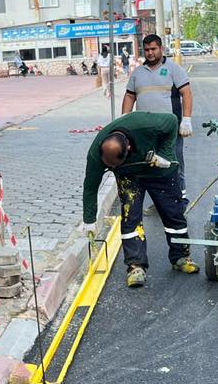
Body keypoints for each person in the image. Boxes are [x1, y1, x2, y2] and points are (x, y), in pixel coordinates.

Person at [79, 111, 199, 288]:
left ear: (127, 148)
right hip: (129, 176)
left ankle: (181, 256)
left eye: (114, 166)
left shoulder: (145, 124)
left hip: (160, 169)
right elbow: (90, 186)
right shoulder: (96, 153)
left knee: (173, 214)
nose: (111, 169)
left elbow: (172, 121)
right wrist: (89, 220)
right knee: (131, 219)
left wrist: (165, 154)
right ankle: (136, 266)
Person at [123, 34, 194, 194]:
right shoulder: (138, 73)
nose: (150, 53)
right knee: (152, 165)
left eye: (153, 49)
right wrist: (124, 121)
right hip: (145, 130)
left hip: (170, 128)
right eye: (147, 49)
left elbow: (186, 93)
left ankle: (179, 198)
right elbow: (129, 96)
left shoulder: (173, 68)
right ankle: (160, 201)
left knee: (173, 161)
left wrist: (187, 119)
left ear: (160, 48)